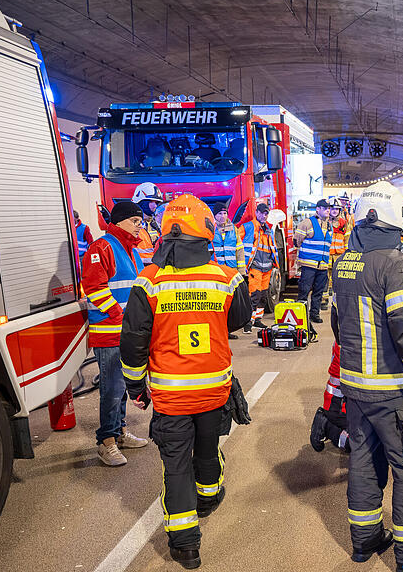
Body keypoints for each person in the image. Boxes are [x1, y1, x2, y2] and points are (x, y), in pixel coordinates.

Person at [120, 195, 252, 569]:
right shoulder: (226, 278)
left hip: (171, 398)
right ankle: (208, 497)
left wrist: (134, 387)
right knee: (208, 450)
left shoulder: (149, 281)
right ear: (207, 231)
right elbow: (237, 320)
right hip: (214, 392)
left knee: (176, 466)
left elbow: (133, 341)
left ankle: (185, 545)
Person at [331, 181, 403, 571]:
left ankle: (365, 541)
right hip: (394, 392)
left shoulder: (344, 262)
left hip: (356, 387)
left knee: (364, 461)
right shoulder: (397, 265)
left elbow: (337, 323)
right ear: (394, 220)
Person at [81, 201, 148, 466]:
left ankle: (119, 433)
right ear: (119, 222)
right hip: (110, 333)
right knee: (112, 388)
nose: (139, 226)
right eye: (135, 221)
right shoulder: (103, 247)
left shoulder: (132, 250)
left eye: (140, 222)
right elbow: (94, 288)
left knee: (121, 388)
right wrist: (123, 317)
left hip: (125, 333)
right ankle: (105, 441)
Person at [239, 203, 277, 332]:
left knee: (263, 296)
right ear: (257, 212)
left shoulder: (268, 229)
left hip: (266, 267)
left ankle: (257, 320)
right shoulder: (248, 227)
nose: (264, 215)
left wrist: (273, 263)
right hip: (255, 267)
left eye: (266, 213)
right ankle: (248, 322)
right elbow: (237, 243)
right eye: (262, 213)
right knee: (254, 295)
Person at [294, 199, 332, 323]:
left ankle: (314, 314)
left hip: (323, 265)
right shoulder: (307, 223)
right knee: (304, 291)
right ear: (317, 209)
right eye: (325, 208)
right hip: (309, 265)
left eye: (328, 208)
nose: (328, 210)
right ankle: (301, 315)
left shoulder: (329, 225)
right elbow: (297, 241)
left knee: (318, 292)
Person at [309, 342, 350, 453]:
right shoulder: (356, 334)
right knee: (367, 445)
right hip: (340, 405)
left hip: (341, 402)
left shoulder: (347, 328)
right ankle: (327, 425)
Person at [131, 182, 165, 265]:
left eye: (157, 203)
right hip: (139, 270)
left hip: (154, 268)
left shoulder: (153, 223)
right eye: (152, 202)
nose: (155, 206)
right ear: (143, 202)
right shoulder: (130, 224)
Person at [211, 203, 246, 273]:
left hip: (232, 270)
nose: (223, 216)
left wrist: (242, 271)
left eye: (225, 213)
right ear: (214, 215)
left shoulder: (233, 229)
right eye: (220, 213)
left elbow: (239, 251)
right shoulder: (210, 229)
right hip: (217, 270)